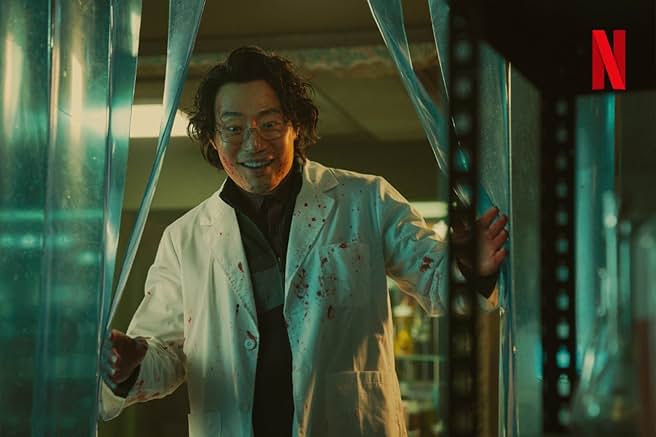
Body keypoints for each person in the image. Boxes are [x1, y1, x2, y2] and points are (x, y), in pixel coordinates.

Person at [99, 46, 508, 437]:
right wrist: (129, 364)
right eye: (233, 129)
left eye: (269, 124)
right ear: (212, 138)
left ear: (296, 125)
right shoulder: (184, 238)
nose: (253, 143)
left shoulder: (366, 200)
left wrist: (471, 265)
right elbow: (165, 355)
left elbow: (438, 284)